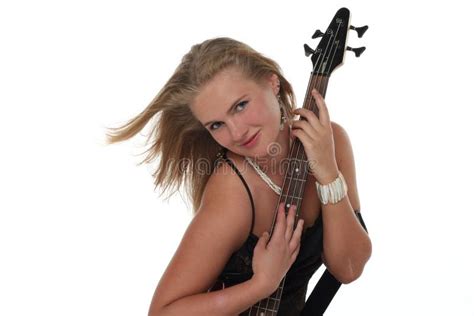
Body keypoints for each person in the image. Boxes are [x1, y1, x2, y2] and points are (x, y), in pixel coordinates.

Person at [105, 37, 371, 315]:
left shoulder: (331, 142)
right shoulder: (233, 191)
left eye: (240, 105)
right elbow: (162, 312)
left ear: (272, 83)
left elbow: (349, 267)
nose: (236, 133)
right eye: (217, 124)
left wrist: (328, 172)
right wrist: (261, 284)